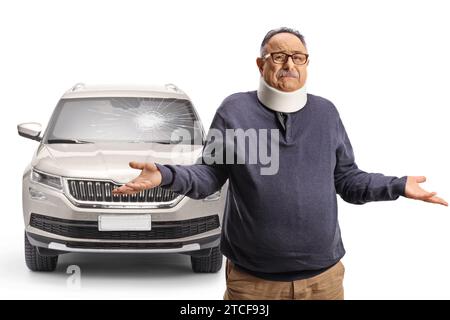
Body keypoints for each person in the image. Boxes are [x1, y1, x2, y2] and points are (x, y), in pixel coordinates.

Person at [112, 27, 448, 300]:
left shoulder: (326, 113)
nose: (290, 64)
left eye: (298, 57)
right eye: (279, 56)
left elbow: (347, 180)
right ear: (261, 65)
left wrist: (398, 185)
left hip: (324, 281)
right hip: (253, 283)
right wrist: (166, 175)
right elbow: (209, 175)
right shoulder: (234, 111)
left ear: (307, 64)